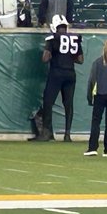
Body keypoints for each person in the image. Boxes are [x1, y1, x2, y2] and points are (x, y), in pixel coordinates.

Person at [33, 15, 84, 143]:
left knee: (48, 102)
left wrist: (52, 53)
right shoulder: (75, 38)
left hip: (56, 73)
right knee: (68, 104)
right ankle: (67, 134)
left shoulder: (52, 38)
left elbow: (45, 59)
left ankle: (46, 133)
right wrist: (67, 56)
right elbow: (80, 60)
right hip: (70, 74)